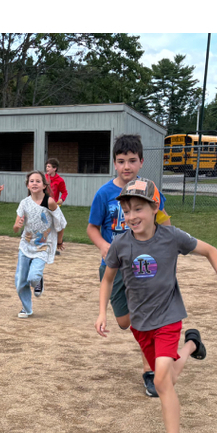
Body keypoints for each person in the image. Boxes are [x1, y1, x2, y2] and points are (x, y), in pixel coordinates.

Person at [96, 178, 217, 433]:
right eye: (126, 210)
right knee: (168, 378)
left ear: (154, 207)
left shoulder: (172, 236)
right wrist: (102, 313)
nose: (132, 215)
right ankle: (191, 345)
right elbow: (108, 279)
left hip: (168, 317)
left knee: (161, 382)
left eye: (138, 208)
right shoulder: (121, 243)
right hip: (140, 323)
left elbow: (211, 250)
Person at [88, 134, 171, 399]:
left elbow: (162, 219)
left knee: (144, 319)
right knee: (125, 322)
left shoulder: (150, 189)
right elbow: (92, 228)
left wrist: (165, 245)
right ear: (114, 163)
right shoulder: (105, 194)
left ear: (141, 162)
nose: (127, 166)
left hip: (142, 265)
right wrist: (103, 246)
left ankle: (150, 371)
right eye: (121, 161)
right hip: (114, 265)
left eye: (132, 161)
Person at [12, 170, 65, 318]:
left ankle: (38, 280)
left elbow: (60, 223)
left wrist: (59, 241)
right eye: (31, 181)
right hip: (26, 244)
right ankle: (27, 309)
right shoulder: (24, 203)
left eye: (38, 181)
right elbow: (15, 228)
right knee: (21, 281)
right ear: (27, 185)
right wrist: (19, 225)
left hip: (43, 245)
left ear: (44, 185)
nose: (34, 183)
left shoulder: (49, 202)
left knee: (33, 277)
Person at [45, 158, 68, 254]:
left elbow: (64, 192)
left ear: (55, 168)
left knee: (60, 224)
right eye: (46, 166)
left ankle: (56, 244)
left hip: (54, 206)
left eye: (49, 167)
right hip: (43, 205)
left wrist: (62, 199)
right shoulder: (43, 178)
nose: (47, 168)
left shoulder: (60, 180)